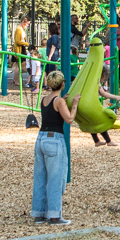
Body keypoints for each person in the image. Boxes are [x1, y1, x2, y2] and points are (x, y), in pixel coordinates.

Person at [30, 70, 79, 225]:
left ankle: (39, 213)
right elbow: (69, 119)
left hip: (41, 138)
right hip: (54, 139)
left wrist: (62, 101)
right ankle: (54, 215)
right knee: (55, 178)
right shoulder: (59, 101)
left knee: (40, 177)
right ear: (63, 83)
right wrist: (74, 105)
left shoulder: (45, 99)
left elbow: (54, 108)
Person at [13, 15, 31, 90]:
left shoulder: (22, 29)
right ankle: (16, 80)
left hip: (22, 47)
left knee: (20, 64)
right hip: (18, 49)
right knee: (18, 65)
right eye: (27, 24)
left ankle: (16, 79)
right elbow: (17, 41)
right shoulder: (18, 29)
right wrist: (27, 44)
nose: (27, 25)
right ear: (23, 22)